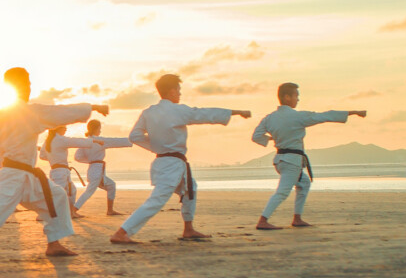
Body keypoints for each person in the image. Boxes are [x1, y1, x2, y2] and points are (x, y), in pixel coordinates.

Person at [0, 67, 108, 262]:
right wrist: (93, 107)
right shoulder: (31, 111)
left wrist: (8, 145)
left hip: (26, 174)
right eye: (27, 83)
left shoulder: (0, 114)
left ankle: (54, 244)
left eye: (30, 83)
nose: (29, 87)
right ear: (17, 85)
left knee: (57, 196)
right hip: (13, 175)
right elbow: (62, 113)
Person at [110, 74, 250, 244]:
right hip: (171, 164)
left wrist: (156, 145)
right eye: (178, 90)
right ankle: (122, 232)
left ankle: (188, 229)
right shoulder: (177, 110)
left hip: (164, 161)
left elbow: (134, 136)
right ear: (171, 91)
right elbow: (204, 114)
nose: (180, 94)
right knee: (158, 199)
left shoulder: (148, 112)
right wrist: (237, 112)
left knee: (191, 188)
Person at [252, 83, 366, 229]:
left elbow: (256, 136)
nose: (298, 99)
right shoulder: (298, 117)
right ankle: (263, 220)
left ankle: (297, 218)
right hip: (292, 161)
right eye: (296, 96)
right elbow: (325, 116)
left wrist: (272, 138)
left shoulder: (269, 118)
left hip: (280, 160)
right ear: (287, 97)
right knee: (282, 192)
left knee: (304, 183)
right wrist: (354, 112)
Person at [73, 119, 133, 215]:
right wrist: (134, 139)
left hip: (93, 169)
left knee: (111, 185)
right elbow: (116, 141)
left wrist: (91, 161)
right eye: (99, 128)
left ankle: (110, 210)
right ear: (96, 128)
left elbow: (77, 157)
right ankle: (73, 210)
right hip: (97, 170)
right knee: (89, 191)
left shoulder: (85, 142)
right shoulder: (100, 141)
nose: (100, 131)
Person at [40, 125, 93, 218]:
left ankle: (71, 213)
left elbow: (42, 156)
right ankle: (43, 214)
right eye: (64, 127)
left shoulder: (48, 141)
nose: (66, 129)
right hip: (60, 171)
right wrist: (93, 141)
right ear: (58, 128)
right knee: (57, 193)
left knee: (71, 191)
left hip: (57, 170)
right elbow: (75, 141)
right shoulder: (60, 139)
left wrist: (54, 158)